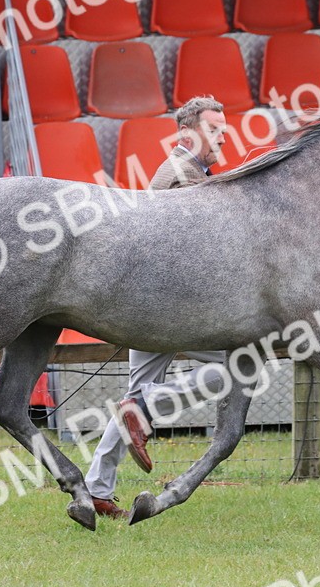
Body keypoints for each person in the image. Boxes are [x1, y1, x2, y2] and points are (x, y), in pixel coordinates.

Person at [86, 96, 232, 519]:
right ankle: (151, 404)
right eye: (214, 129)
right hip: (171, 310)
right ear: (187, 132)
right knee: (237, 366)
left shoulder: (190, 173)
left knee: (131, 399)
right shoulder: (182, 176)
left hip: (152, 306)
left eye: (223, 129)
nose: (223, 137)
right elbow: (203, 245)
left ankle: (96, 490)